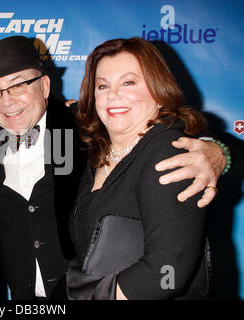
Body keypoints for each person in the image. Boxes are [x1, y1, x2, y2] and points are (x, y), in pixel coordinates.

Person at [0, 36, 225, 300]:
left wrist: (221, 153)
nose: (6, 100)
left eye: (18, 85)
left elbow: (169, 269)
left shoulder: (78, 127)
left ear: (45, 86)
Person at [68, 37, 212, 300]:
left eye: (129, 82)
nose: (113, 95)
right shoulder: (98, 154)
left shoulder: (168, 150)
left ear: (158, 89)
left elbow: (168, 271)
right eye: (102, 86)